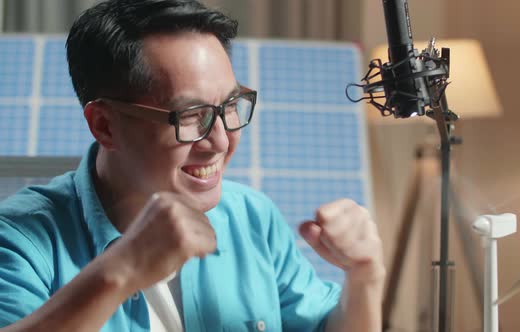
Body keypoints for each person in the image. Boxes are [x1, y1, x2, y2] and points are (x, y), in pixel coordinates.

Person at [0, 0, 385, 331]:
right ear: (104, 125)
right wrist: (120, 271)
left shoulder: (251, 217)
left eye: (230, 107)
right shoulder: (19, 240)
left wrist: (364, 276)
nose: (220, 140)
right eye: (190, 115)